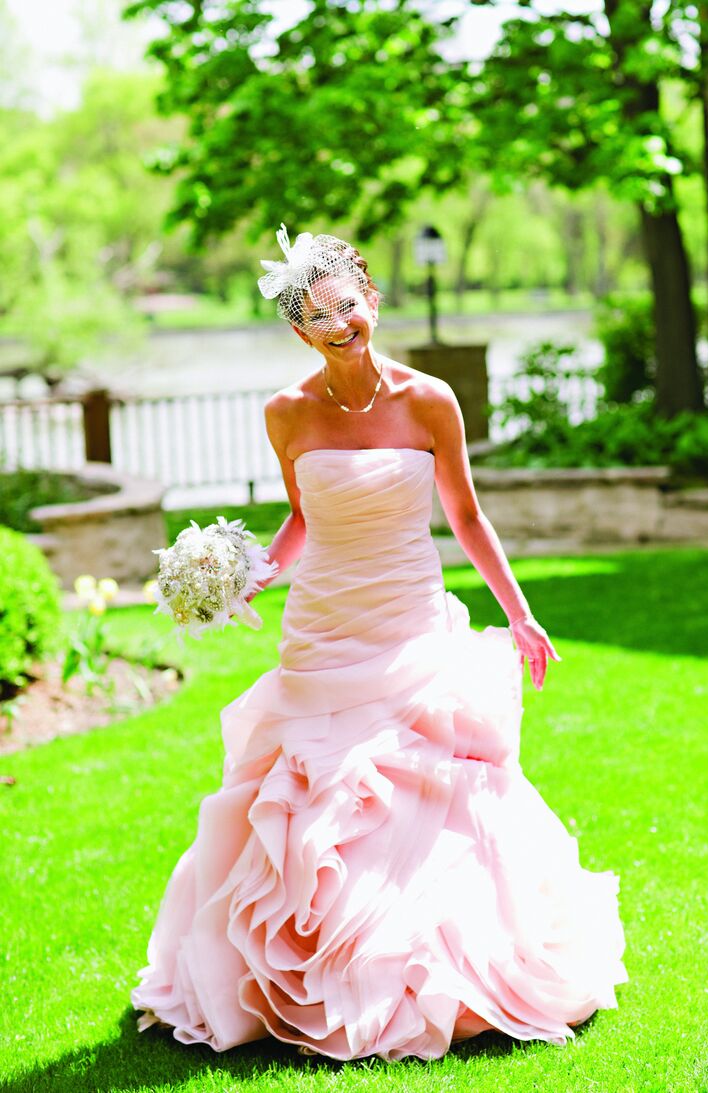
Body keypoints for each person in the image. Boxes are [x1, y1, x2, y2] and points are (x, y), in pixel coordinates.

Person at [130, 225, 628, 1062]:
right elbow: (298, 519)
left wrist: (520, 611)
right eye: (318, 317)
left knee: (427, 787)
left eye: (347, 305)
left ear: (372, 300)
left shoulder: (429, 399)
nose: (339, 325)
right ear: (298, 331)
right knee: (314, 790)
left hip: (407, 617)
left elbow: (465, 516)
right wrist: (250, 575)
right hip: (323, 623)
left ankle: (431, 957)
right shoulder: (284, 412)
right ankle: (307, 961)